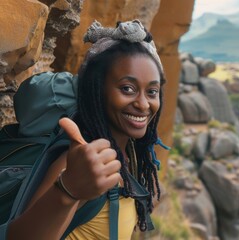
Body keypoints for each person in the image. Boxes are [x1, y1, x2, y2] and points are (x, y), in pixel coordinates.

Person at [7, 19, 168, 239]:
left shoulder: (127, 155)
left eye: (152, 91)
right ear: (96, 90)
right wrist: (68, 190)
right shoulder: (75, 161)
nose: (143, 104)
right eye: (127, 88)